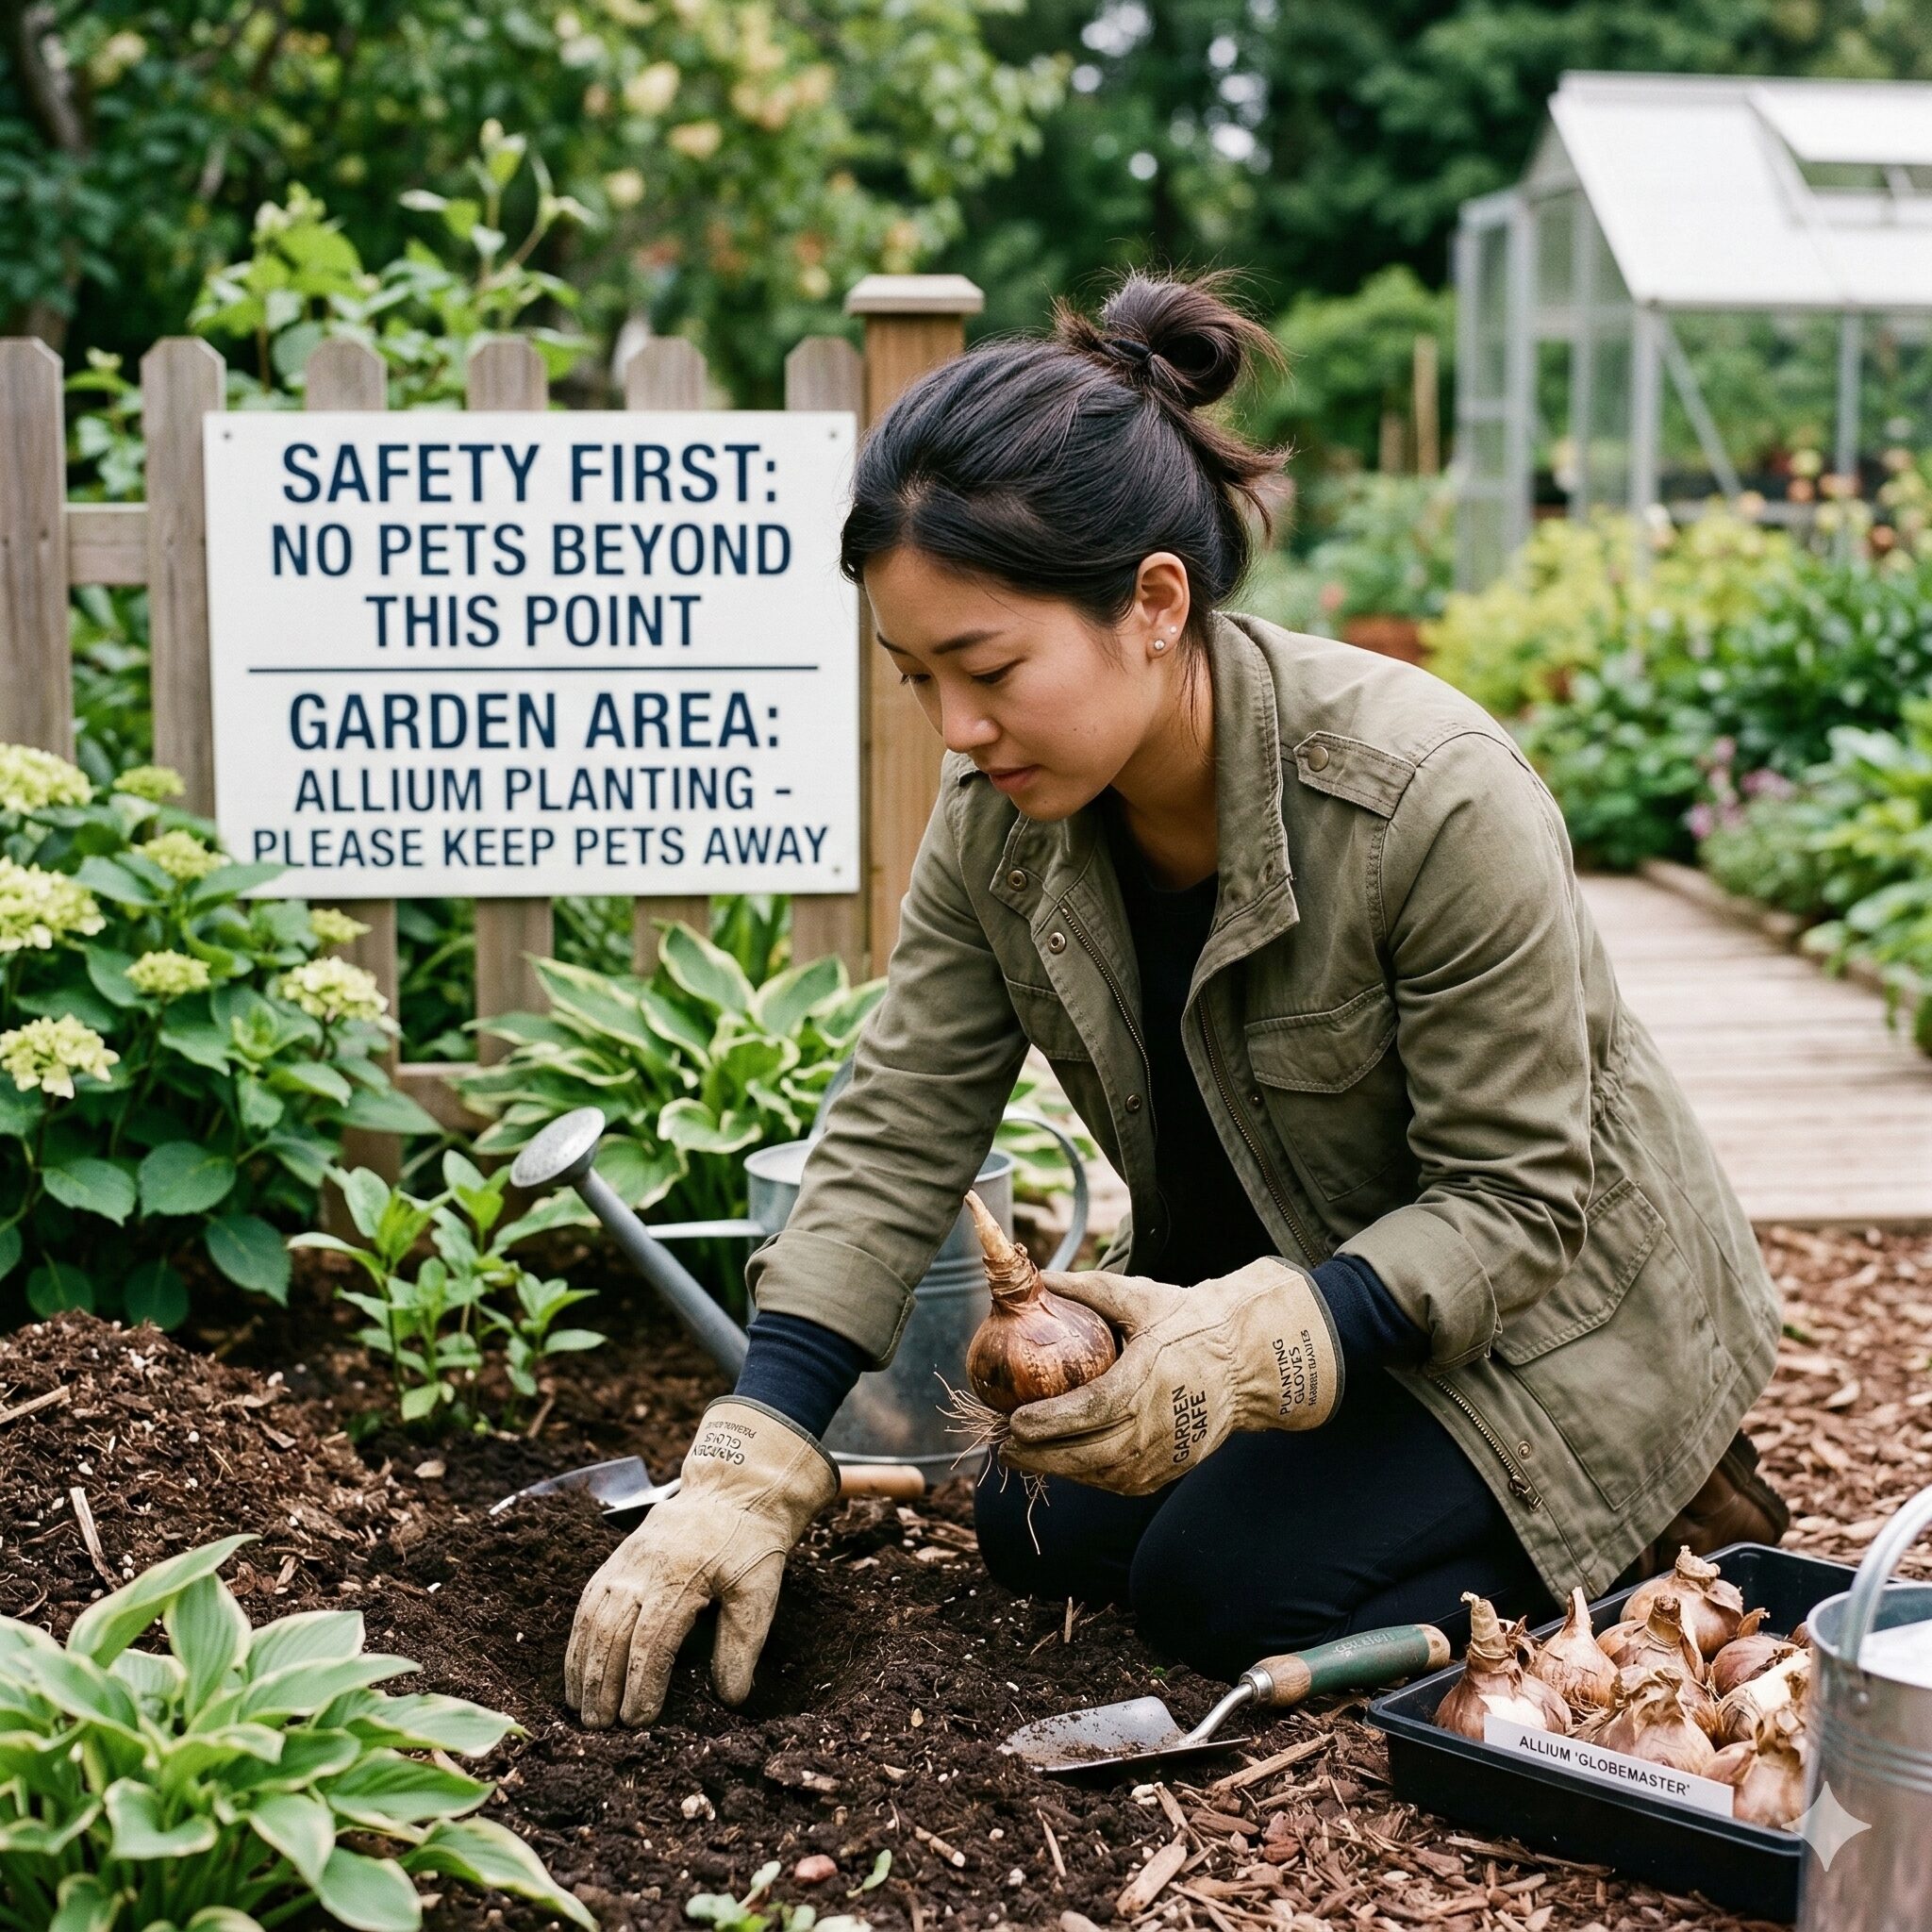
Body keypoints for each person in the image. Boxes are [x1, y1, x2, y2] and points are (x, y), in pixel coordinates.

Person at [562, 270, 1788, 1731]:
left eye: (990, 666)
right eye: (915, 678)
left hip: (1540, 1324)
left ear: (1155, 602)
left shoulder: (1427, 798)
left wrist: (1255, 1346)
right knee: (1030, 1525)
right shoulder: (1002, 819)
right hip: (1271, 1302)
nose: (957, 728)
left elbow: (1515, 1205)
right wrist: (754, 1450)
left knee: (1222, 1595)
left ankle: (1653, 1510)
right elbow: (899, 1126)